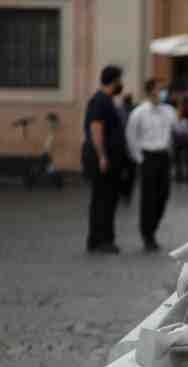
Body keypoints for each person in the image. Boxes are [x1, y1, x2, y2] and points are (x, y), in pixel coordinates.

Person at [125, 79, 177, 251]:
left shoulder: (169, 111)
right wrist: (139, 159)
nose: (162, 92)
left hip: (163, 156)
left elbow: (176, 131)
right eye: (158, 89)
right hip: (147, 156)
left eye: (163, 89)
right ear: (149, 92)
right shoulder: (138, 113)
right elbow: (131, 137)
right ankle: (147, 235)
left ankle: (152, 227)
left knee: (163, 195)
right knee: (148, 198)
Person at [82, 65, 125, 253]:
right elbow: (96, 129)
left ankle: (100, 239)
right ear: (114, 80)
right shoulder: (100, 101)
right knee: (103, 199)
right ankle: (101, 240)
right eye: (120, 80)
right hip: (103, 159)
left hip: (107, 158)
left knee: (105, 198)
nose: (121, 84)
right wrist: (102, 156)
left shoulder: (105, 100)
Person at [171, 99, 188, 184]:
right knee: (179, 159)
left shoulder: (187, 114)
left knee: (187, 159)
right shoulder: (175, 113)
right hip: (179, 140)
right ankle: (179, 175)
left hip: (185, 140)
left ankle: (187, 175)